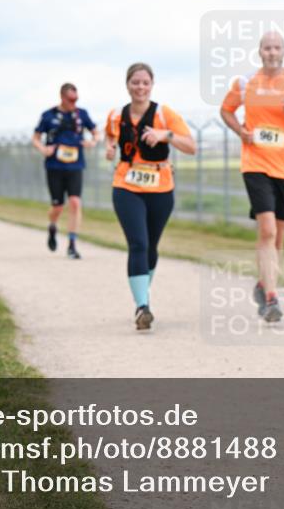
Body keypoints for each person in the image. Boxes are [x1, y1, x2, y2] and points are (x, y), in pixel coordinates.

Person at [221, 31, 284, 323]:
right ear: (260, 51)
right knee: (266, 230)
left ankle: (263, 283)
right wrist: (240, 131)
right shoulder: (245, 83)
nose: (271, 52)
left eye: (276, 47)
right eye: (267, 47)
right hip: (255, 163)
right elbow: (226, 110)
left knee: (278, 236)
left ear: (283, 51)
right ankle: (271, 298)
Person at [105, 63, 196, 330]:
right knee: (138, 243)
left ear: (152, 85)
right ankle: (142, 307)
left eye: (145, 82)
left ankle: (142, 295)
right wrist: (110, 148)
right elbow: (110, 137)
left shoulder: (165, 114)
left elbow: (191, 146)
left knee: (151, 246)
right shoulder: (115, 115)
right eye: (135, 82)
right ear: (127, 85)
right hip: (126, 185)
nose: (140, 87)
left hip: (160, 188)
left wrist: (165, 135)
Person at [32, 83, 99, 258]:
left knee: (75, 202)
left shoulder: (81, 114)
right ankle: (52, 226)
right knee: (58, 206)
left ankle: (72, 245)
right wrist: (43, 149)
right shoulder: (48, 115)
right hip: (54, 167)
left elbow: (96, 133)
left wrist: (92, 142)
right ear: (62, 97)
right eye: (71, 99)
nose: (74, 102)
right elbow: (36, 138)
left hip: (75, 166)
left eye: (76, 99)